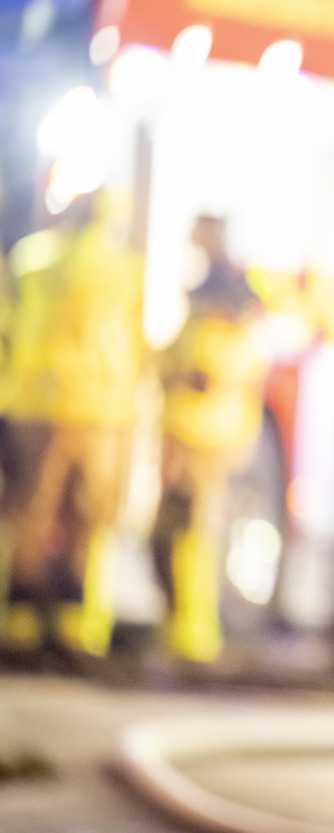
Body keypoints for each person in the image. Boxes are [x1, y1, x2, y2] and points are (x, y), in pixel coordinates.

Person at [0, 193, 143, 659]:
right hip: (100, 412)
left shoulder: (31, 258)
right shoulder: (124, 270)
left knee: (31, 515)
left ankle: (21, 625)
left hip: (38, 405)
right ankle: (76, 627)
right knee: (87, 520)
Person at [152, 214, 267, 663]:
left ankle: (194, 632)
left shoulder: (229, 310)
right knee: (175, 531)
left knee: (194, 532)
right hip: (189, 435)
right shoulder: (213, 302)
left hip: (207, 437)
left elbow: (211, 373)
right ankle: (183, 627)